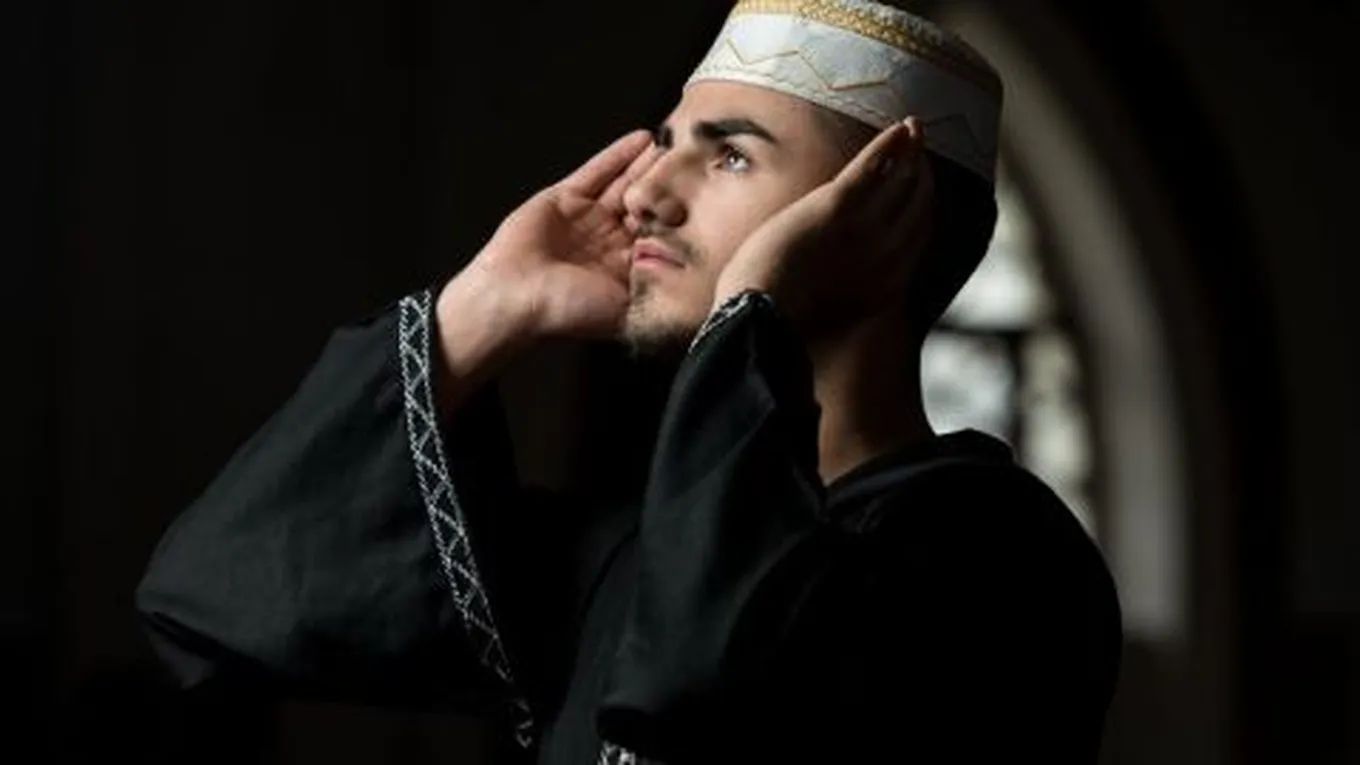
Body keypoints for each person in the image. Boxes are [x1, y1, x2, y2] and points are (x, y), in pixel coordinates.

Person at [136, 1, 1122, 762]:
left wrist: (751, 319)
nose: (644, 192)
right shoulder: (630, 556)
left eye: (729, 155)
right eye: (664, 144)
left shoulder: (996, 560)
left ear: (884, 208)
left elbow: (697, 701)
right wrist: (485, 308)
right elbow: (218, 597)